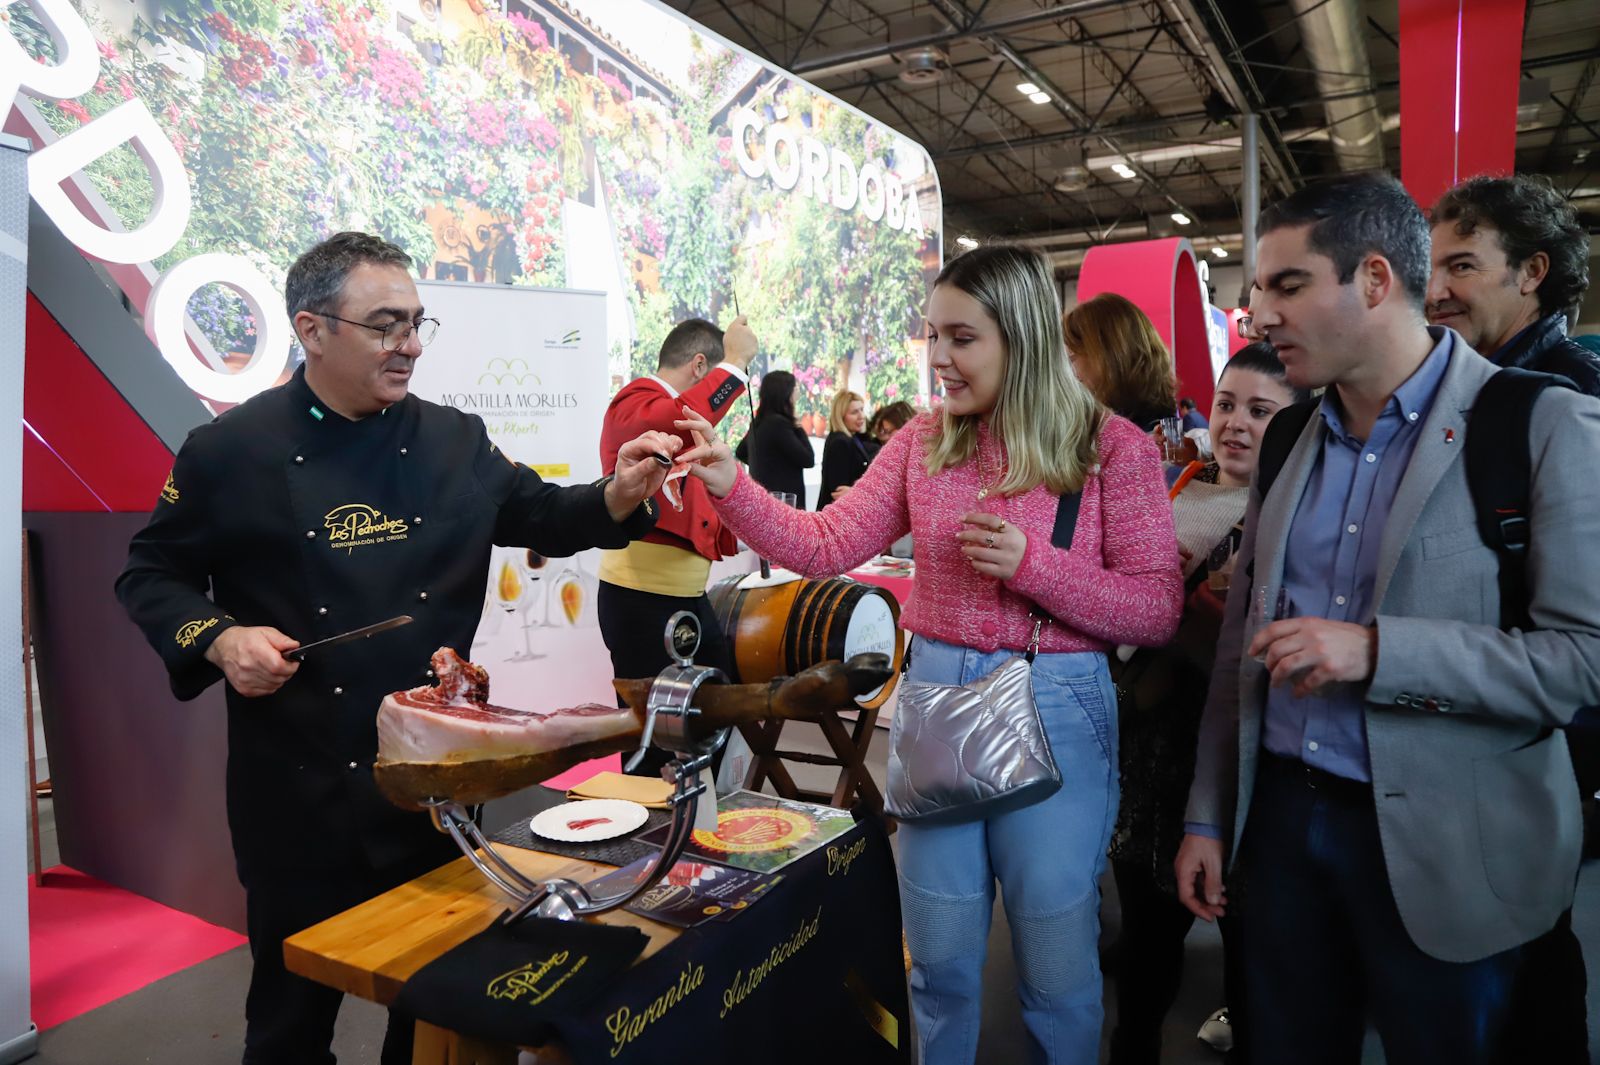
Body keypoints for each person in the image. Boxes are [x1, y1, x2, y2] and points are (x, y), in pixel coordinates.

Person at [114, 232, 674, 1065]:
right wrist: (222, 637)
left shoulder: (453, 440)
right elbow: (151, 573)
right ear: (311, 329)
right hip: (297, 792)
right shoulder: (230, 452)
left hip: (435, 791)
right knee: (288, 1024)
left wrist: (619, 493)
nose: (410, 345)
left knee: (435, 1010)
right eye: (385, 325)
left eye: (417, 323)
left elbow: (546, 517)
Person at [675, 243, 1183, 1064]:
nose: (939, 358)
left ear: (1019, 336)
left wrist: (1036, 567)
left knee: (1057, 971)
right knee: (938, 959)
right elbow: (828, 539)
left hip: (1055, 706)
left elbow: (1157, 606)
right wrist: (733, 483)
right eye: (932, 336)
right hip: (938, 701)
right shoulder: (924, 439)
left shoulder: (1111, 448)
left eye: (962, 337)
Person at [1176, 173, 1600, 1065]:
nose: (1258, 317)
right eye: (1257, 291)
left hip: (1451, 836)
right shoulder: (1291, 437)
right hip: (1284, 827)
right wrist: (1209, 816)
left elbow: (1583, 660)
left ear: (1374, 280)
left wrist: (1380, 651)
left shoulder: (1541, 424)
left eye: (1287, 286)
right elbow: (1236, 650)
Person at [1427, 172, 1599, 1065]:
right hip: (1468, 715)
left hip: (1544, 730)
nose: (1436, 288)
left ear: (1533, 271)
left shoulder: (1565, 396)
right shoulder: (1468, 388)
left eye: (1462, 264)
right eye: (1432, 265)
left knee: (1530, 949)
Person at [1106, 342, 1308, 1065]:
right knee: (1143, 954)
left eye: (1261, 410)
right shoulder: (1173, 489)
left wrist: (1176, 617)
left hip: (1241, 766)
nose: (1237, 423)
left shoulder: (1298, 516)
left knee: (1254, 956)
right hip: (1149, 758)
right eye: (1227, 403)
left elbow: (1265, 654)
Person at [597, 316, 756, 777]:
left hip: (683, 596)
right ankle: (648, 844)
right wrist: (738, 363)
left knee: (709, 713)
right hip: (644, 597)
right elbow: (677, 420)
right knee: (653, 739)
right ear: (700, 364)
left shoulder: (662, 408)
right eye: (717, 368)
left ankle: (687, 831)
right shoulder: (636, 401)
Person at [1063, 291, 1178, 431]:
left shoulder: (1149, 439)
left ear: (1108, 357)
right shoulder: (1163, 429)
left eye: (1071, 358)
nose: (1068, 373)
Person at [734, 370, 813, 504]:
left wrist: (766, 465)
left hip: (766, 498)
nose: (797, 394)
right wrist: (798, 426)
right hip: (784, 503)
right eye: (795, 389)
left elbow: (740, 452)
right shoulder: (779, 424)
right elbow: (808, 459)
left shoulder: (758, 422)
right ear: (786, 393)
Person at [817, 389, 878, 509]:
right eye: (854, 412)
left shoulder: (852, 438)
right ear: (841, 416)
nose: (861, 416)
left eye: (862, 410)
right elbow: (838, 491)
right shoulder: (840, 442)